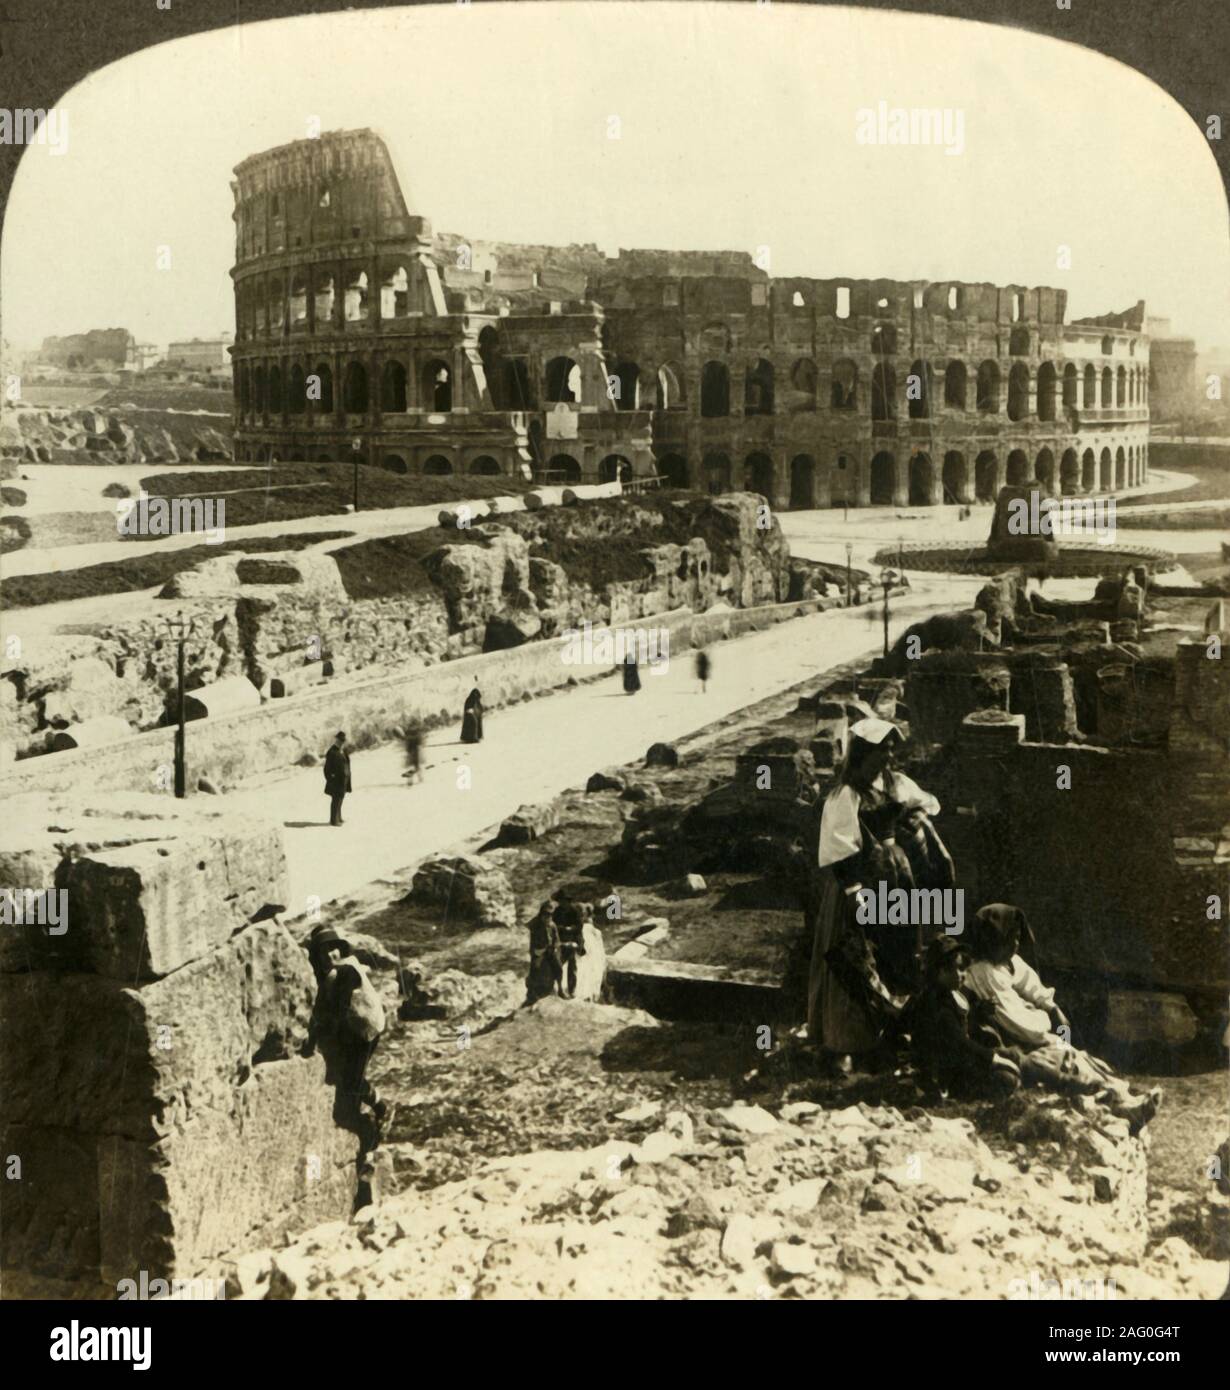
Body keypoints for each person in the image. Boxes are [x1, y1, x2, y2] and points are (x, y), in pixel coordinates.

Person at [805, 717, 942, 1071]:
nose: (889, 755)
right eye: (883, 749)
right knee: (855, 956)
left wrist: (912, 822)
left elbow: (926, 803)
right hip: (860, 882)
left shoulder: (895, 783)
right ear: (864, 753)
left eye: (892, 748)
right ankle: (846, 1041)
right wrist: (854, 890)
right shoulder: (845, 795)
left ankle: (890, 1032)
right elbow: (838, 848)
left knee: (897, 950)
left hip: (895, 878)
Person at [963, 903, 1162, 1131]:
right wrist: (1044, 1016)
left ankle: (1122, 1095)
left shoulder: (1008, 962)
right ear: (992, 940)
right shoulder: (984, 972)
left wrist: (1051, 1007)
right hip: (1012, 1044)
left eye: (1018, 938)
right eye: (1009, 938)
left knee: (1078, 1055)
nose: (1015, 944)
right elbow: (1021, 1025)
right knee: (1067, 1061)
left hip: (1031, 1037)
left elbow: (1033, 988)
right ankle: (1120, 1105)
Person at [305, 924, 387, 1206]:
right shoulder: (338, 972)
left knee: (352, 1082)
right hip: (360, 1027)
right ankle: (368, 1126)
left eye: (334, 948)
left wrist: (314, 1035)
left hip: (366, 1031)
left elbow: (337, 1011)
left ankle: (379, 1106)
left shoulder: (346, 972)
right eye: (324, 951)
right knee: (348, 1083)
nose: (331, 954)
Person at [906, 935, 1021, 1099]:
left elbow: (966, 1014)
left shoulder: (950, 992)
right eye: (959, 969)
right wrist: (994, 1058)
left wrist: (981, 1009)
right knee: (1006, 1078)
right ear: (942, 970)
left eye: (965, 969)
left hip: (961, 1059)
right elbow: (960, 1042)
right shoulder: (933, 1003)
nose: (964, 974)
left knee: (1013, 1056)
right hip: (947, 1073)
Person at [525, 896, 563, 1003]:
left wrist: (554, 947)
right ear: (541, 914)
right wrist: (539, 951)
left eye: (550, 915)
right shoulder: (535, 926)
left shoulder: (552, 926)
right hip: (539, 951)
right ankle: (532, 991)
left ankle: (560, 988)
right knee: (535, 968)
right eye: (546, 914)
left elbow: (557, 940)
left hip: (550, 951)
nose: (548, 917)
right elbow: (532, 944)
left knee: (558, 967)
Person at [554, 900, 590, 999]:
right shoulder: (557, 911)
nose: (565, 904)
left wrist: (579, 945)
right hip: (560, 942)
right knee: (558, 965)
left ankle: (572, 989)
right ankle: (558, 988)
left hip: (572, 942)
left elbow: (579, 928)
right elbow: (554, 927)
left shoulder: (574, 911)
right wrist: (563, 929)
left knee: (572, 966)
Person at [323, 731, 351, 827]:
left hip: (344, 780)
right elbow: (326, 769)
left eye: (343, 741)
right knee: (336, 800)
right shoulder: (332, 752)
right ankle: (333, 820)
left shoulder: (343, 751)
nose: (342, 742)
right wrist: (331, 779)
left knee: (340, 799)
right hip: (336, 781)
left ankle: (338, 817)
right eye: (340, 740)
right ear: (337, 740)